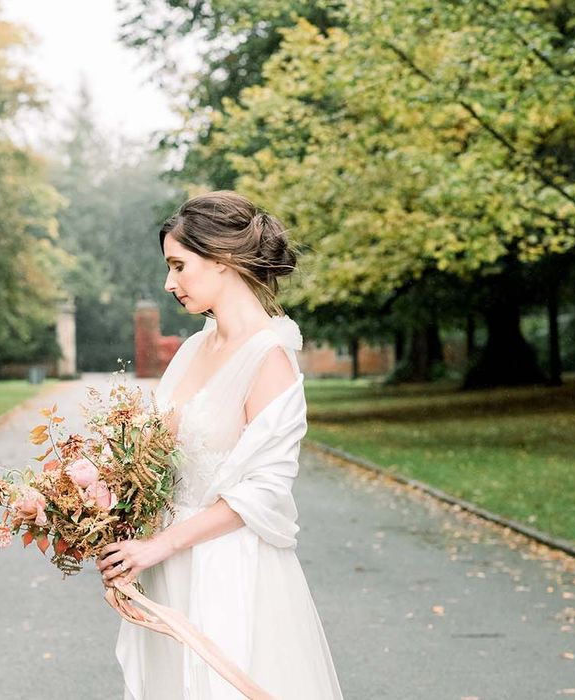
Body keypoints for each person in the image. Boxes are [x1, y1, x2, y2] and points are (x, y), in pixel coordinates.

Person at [96, 191, 345, 699]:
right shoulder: (192, 348)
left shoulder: (269, 358)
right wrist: (100, 496)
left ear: (224, 260)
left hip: (226, 569)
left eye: (179, 266)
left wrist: (160, 544)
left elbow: (261, 491)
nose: (169, 283)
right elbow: (157, 451)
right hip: (167, 565)